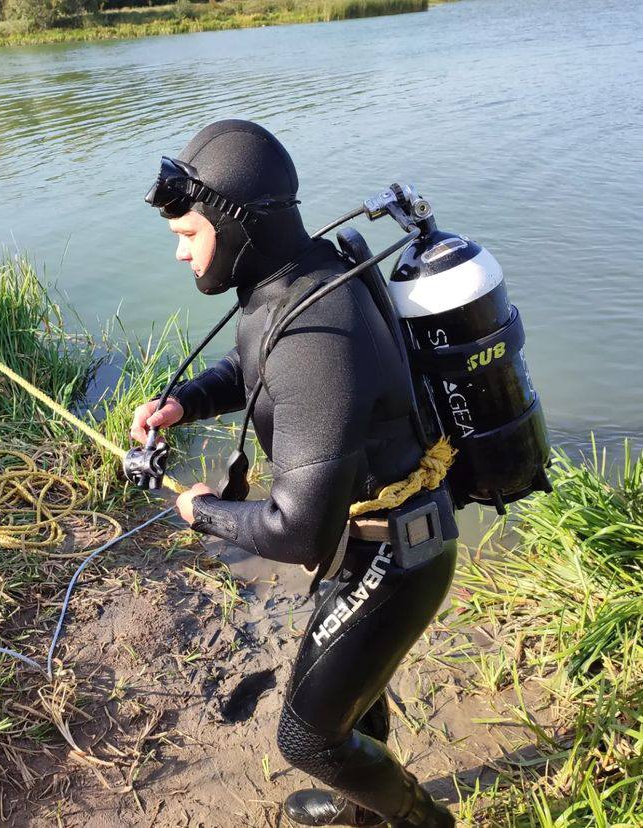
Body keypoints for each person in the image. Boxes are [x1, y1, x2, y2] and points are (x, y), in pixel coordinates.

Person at [131, 120, 456, 826]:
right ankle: (364, 812)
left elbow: (296, 530)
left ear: (233, 222)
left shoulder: (314, 332)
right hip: (373, 537)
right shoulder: (295, 282)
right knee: (352, 692)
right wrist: (183, 403)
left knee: (307, 736)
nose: (182, 253)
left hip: (396, 553)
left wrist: (202, 510)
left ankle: (425, 822)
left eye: (190, 235)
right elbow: (253, 368)